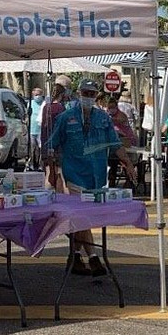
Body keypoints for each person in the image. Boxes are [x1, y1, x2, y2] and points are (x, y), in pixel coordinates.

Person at [44, 79, 124, 276]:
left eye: (91, 94)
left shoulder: (103, 118)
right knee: (81, 216)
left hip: (96, 176)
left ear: (96, 95)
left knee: (81, 218)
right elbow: (51, 144)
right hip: (74, 174)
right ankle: (92, 257)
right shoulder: (66, 117)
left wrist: (128, 164)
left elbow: (115, 144)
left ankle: (77, 256)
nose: (88, 97)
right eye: (85, 93)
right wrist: (51, 168)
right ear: (79, 93)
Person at [41, 75, 73, 190]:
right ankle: (66, 199)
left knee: (50, 174)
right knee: (63, 175)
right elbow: (64, 128)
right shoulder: (60, 109)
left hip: (46, 145)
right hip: (58, 147)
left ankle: (47, 196)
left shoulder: (46, 107)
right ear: (62, 94)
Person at [28, 87, 45, 170]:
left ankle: (40, 165)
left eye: (38, 94)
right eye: (35, 95)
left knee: (41, 149)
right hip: (31, 129)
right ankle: (31, 164)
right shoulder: (30, 103)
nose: (37, 96)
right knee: (32, 148)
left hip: (41, 130)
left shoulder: (44, 104)